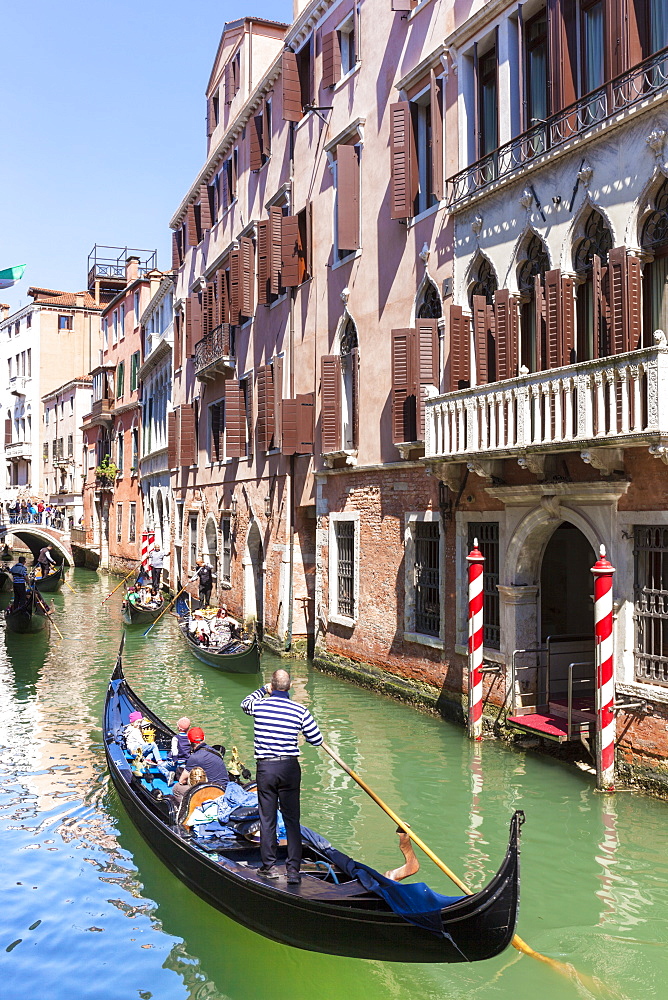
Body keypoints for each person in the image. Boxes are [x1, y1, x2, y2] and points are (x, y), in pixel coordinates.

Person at [241, 669, 323, 884]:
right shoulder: (300, 710)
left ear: (272, 685)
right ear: (291, 686)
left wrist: (263, 690)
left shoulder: (260, 705)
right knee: (291, 819)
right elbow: (315, 739)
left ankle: (268, 867)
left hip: (266, 768)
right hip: (289, 768)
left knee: (267, 819)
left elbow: (245, 703)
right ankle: (293, 871)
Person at [171, 727, 228, 808]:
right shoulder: (215, 752)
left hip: (212, 793)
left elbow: (181, 781)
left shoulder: (195, 757)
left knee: (177, 788)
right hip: (224, 790)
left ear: (189, 741)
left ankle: (185, 812)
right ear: (204, 738)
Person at [124, 712, 171, 781]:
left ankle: (148, 759)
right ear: (132, 722)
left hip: (132, 751)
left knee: (152, 750)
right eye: (137, 722)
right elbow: (142, 743)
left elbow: (142, 723)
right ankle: (159, 761)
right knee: (153, 745)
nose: (139, 724)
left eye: (140, 722)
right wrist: (149, 744)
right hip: (136, 749)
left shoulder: (129, 729)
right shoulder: (135, 731)